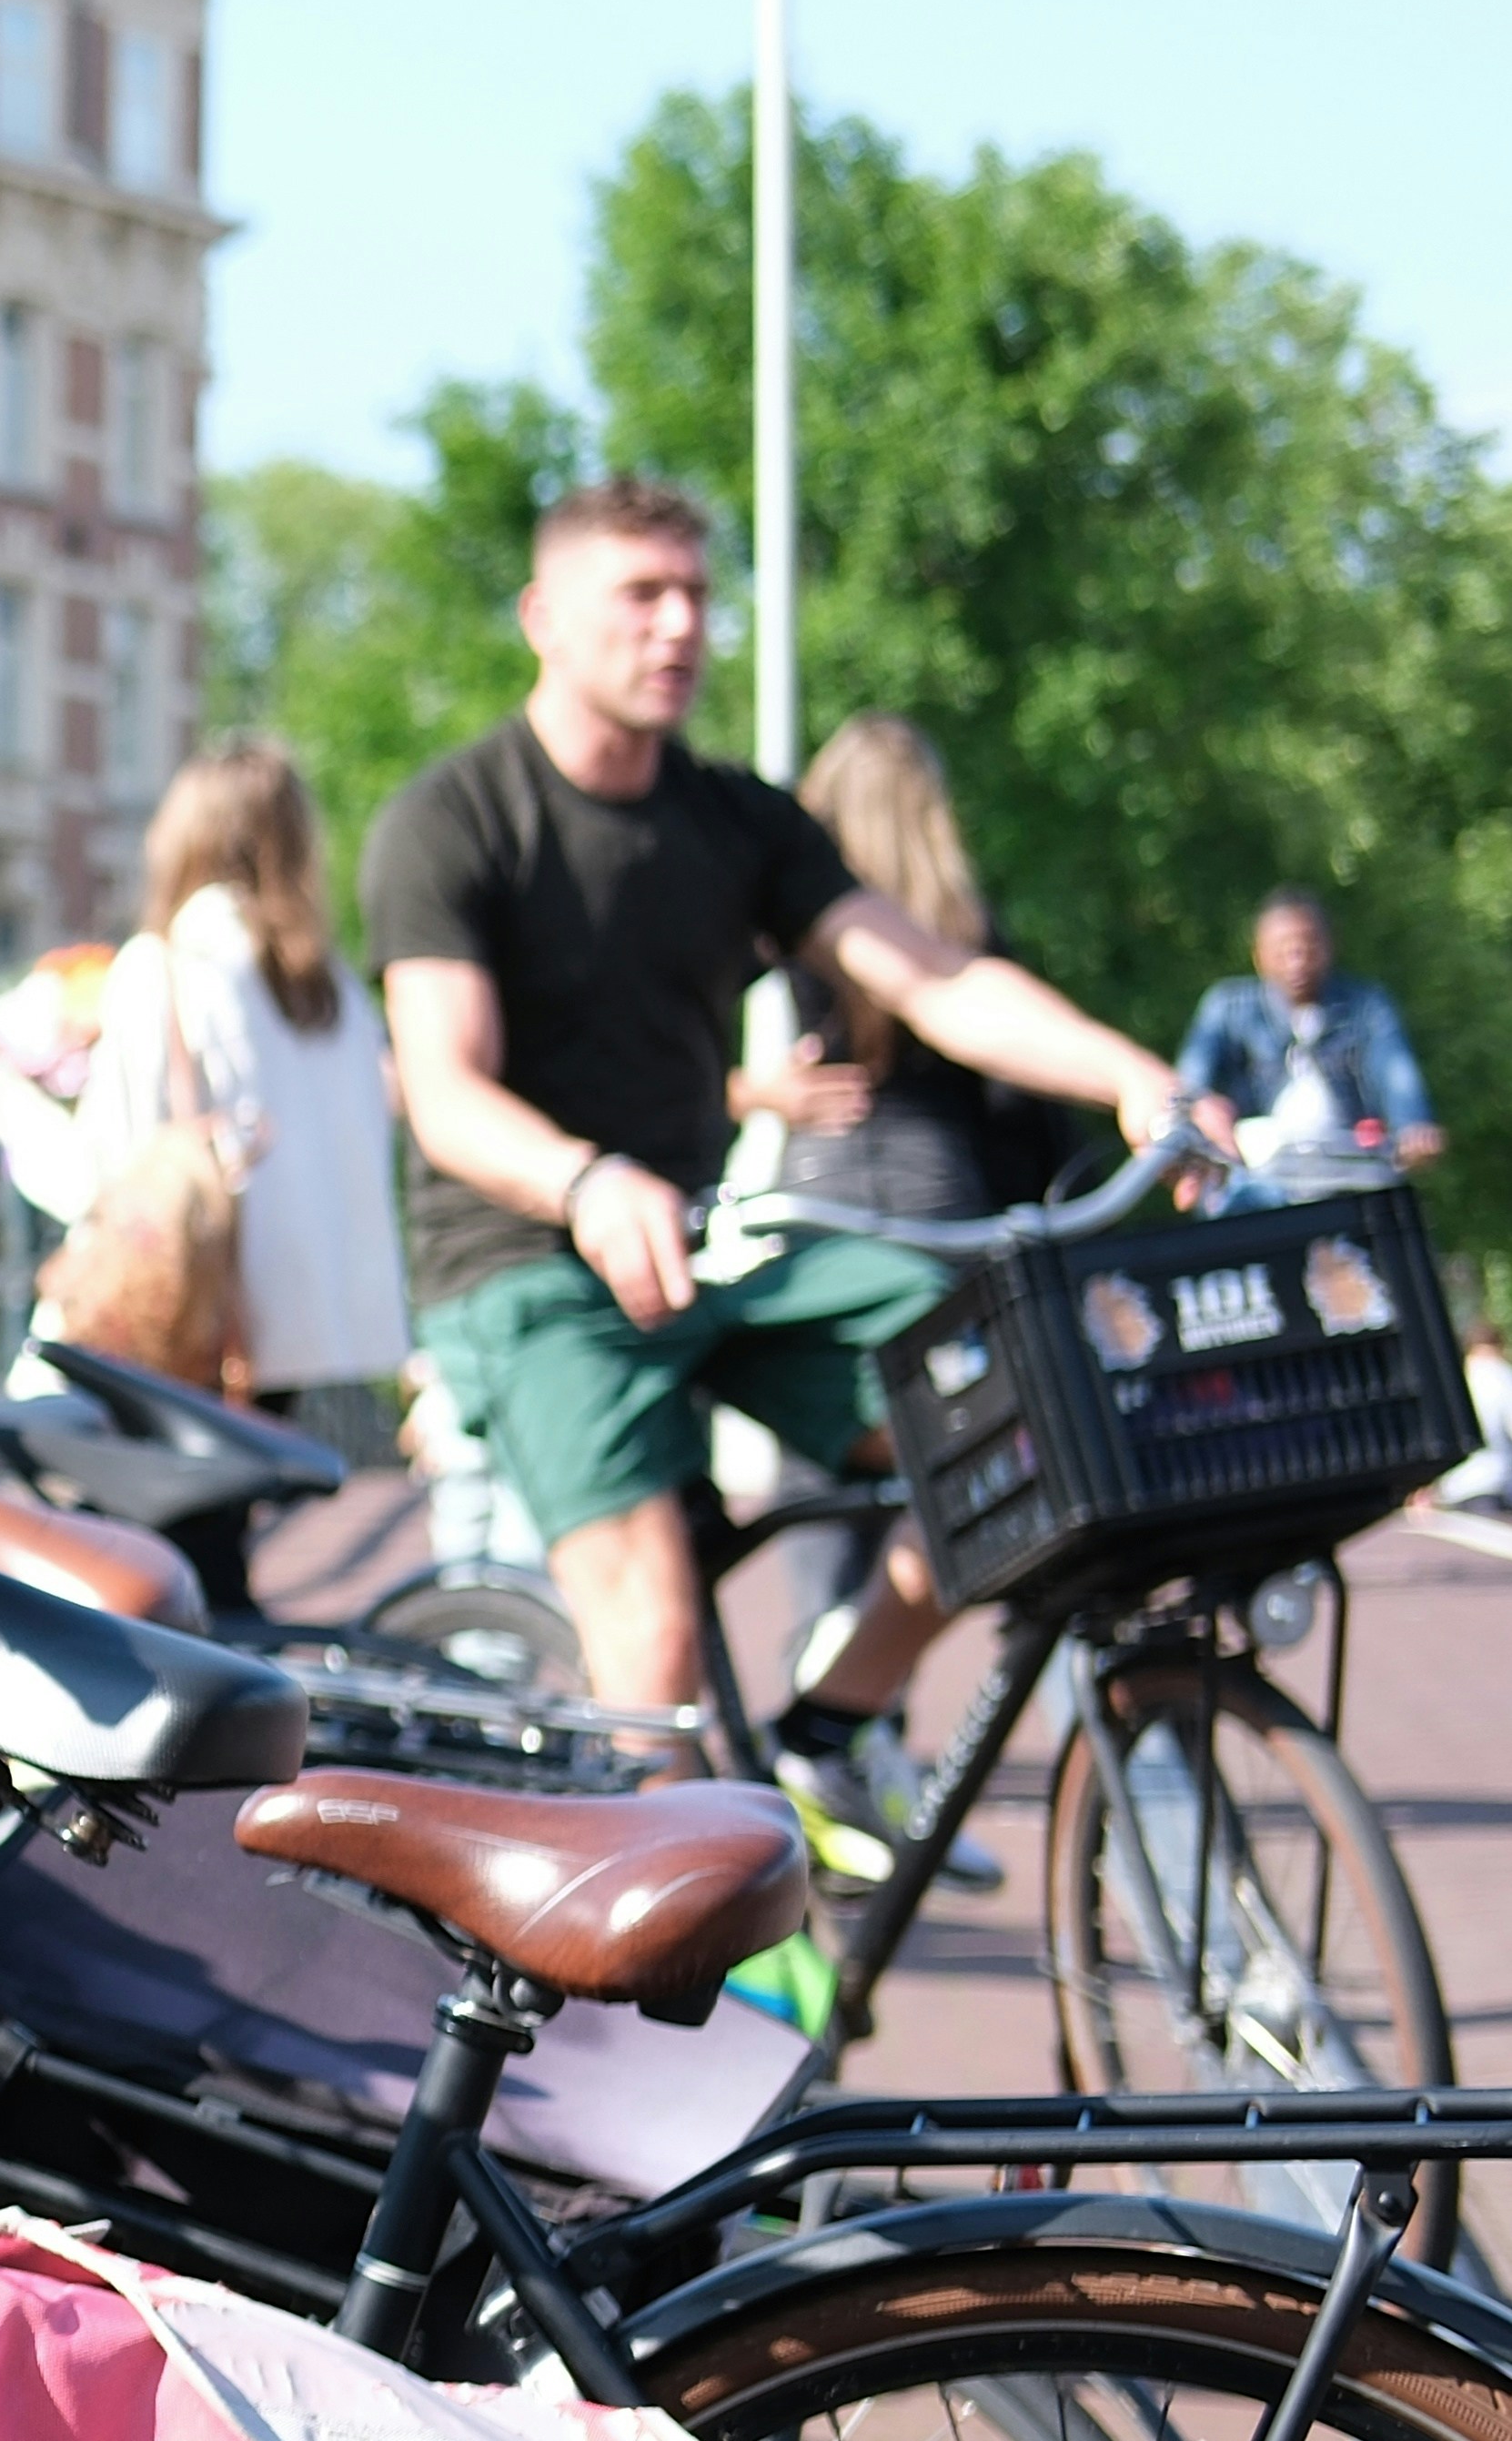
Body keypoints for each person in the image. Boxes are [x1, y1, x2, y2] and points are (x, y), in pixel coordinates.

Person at [365, 476, 1184, 1744]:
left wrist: (1133, 1073)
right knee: (653, 1634)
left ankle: (831, 1726)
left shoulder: (734, 817)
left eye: (694, 594)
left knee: (1025, 1420)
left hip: (703, 1252)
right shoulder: (452, 819)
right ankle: (650, 1933)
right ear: (542, 615)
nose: (679, 626)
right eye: (640, 594)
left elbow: (936, 975)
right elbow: (443, 1087)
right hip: (524, 1268)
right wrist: (585, 1180)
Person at [82, 738, 406, 1413]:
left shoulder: (168, 963)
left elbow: (115, 1155)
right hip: (299, 1326)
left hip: (193, 1311)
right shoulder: (333, 989)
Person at [761, 716, 1078, 1224]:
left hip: (818, 1175)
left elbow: (671, 1014)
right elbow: (1015, 1093)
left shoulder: (795, 916)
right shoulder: (963, 929)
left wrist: (752, 1092)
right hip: (935, 1177)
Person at [1180, 890, 1444, 1171]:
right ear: (1258, 956)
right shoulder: (1228, 1007)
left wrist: (1414, 1128)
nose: (1296, 961)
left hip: (1350, 1173)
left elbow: (1396, 1074)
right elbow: (1189, 1089)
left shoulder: (1367, 1006)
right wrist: (1197, 1116)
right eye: (1282, 950)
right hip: (1257, 1177)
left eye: (1309, 947)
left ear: (1331, 946)